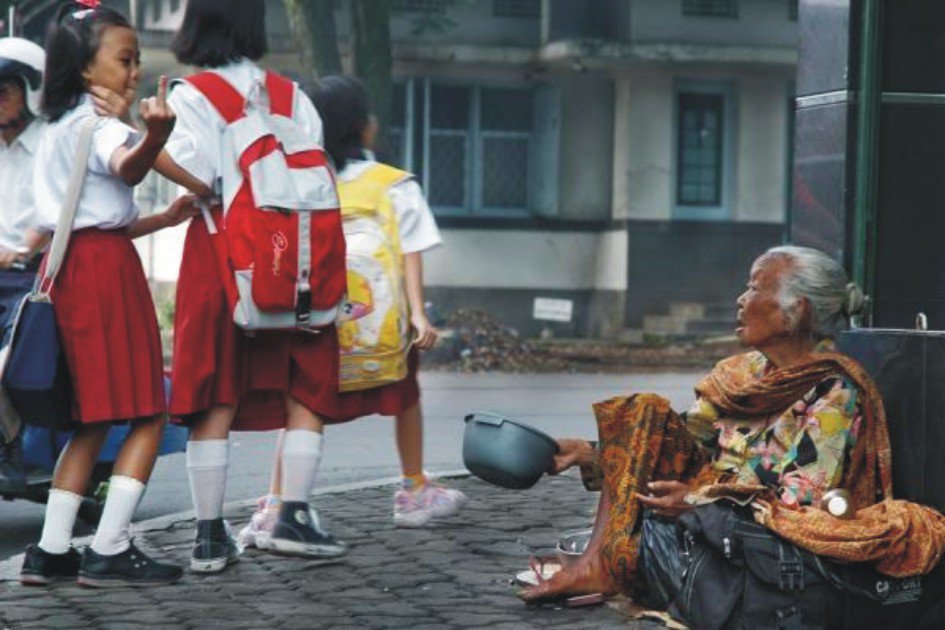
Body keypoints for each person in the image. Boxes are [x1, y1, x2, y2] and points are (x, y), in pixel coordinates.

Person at [520, 246, 944, 605]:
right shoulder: (742, 373)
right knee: (641, 409)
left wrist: (700, 499)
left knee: (668, 514)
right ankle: (601, 562)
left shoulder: (835, 396)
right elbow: (687, 439)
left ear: (795, 312)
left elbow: (800, 503)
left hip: (746, 527)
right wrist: (591, 453)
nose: (741, 299)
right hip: (704, 507)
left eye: (755, 288)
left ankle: (607, 563)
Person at [156, 0, 347, 574]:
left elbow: (196, 177)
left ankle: (210, 535)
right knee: (307, 383)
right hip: (300, 264)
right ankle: (292, 513)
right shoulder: (295, 96)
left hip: (219, 256)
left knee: (214, 389)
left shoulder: (191, 95)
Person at [237, 76, 466, 549]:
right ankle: (414, 488)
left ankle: (277, 502)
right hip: (382, 330)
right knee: (405, 398)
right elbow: (411, 253)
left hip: (319, 321)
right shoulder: (394, 184)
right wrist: (419, 316)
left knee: (301, 408)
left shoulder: (302, 178)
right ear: (364, 128)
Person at [18, 2, 197, 587]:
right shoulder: (106, 125)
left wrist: (164, 220)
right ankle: (111, 546)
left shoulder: (52, 129)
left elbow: (87, 221)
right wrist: (156, 134)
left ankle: (50, 551)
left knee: (91, 421)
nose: (136, 71)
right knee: (149, 411)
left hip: (66, 269)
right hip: (106, 277)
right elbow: (126, 171)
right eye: (125, 59)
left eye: (137, 59)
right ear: (87, 69)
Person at [0, 37, 48, 495]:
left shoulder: (51, 143)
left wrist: (23, 249)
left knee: (6, 355)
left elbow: (54, 215)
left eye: (3, 90)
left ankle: (8, 444)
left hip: (33, 278)